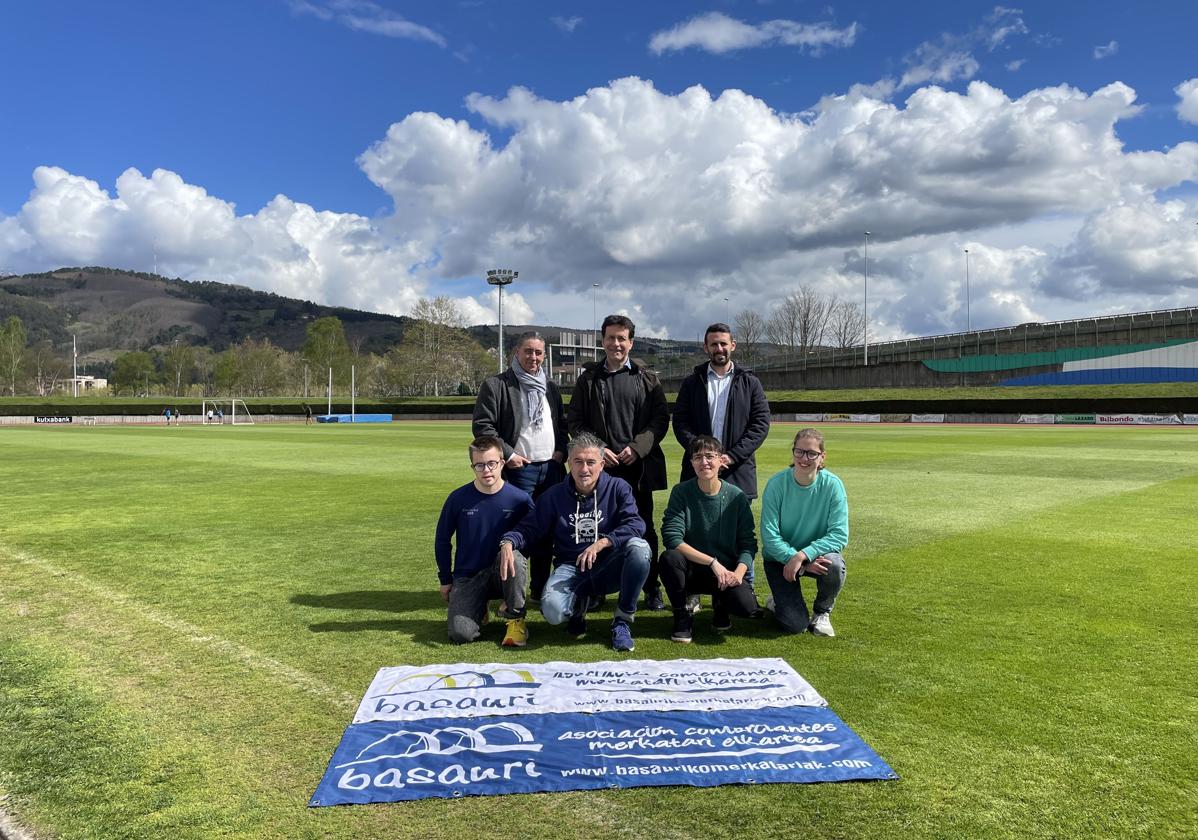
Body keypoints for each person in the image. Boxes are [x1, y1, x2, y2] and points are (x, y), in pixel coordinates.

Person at [498, 433, 650, 652]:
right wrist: (508, 541)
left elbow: (636, 525)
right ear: (569, 462)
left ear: (602, 464)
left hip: (609, 566)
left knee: (640, 549)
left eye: (590, 462)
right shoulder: (554, 495)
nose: (584, 469)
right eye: (578, 461)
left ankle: (622, 621)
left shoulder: (618, 488)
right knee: (552, 612)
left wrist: (603, 542)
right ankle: (577, 607)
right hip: (571, 567)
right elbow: (529, 528)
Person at [567, 314, 669, 611]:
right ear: (603, 341)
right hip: (601, 470)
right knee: (600, 529)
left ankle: (652, 589)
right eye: (611, 338)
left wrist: (637, 448)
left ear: (631, 342)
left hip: (638, 468)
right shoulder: (588, 379)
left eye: (621, 338)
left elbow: (660, 420)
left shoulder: (647, 378)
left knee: (645, 529)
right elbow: (576, 420)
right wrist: (600, 450)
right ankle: (597, 589)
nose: (616, 344)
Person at [472, 331, 568, 602]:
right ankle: (509, 591)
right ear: (516, 352)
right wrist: (508, 453)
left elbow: (562, 424)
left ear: (544, 355)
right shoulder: (496, 385)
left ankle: (539, 589)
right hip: (518, 470)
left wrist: (560, 451)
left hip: (551, 469)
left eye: (538, 352)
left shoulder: (550, 386)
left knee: (548, 531)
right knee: (516, 531)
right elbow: (483, 427)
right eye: (528, 351)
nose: (533, 357)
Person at [434, 435, 534, 647]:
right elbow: (443, 539)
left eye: (491, 463)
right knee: (461, 635)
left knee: (513, 557)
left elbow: (533, 535)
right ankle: (480, 608)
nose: (486, 470)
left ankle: (516, 619)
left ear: (502, 463)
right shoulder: (458, 498)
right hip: (469, 575)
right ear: (472, 467)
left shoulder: (520, 499)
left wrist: (515, 548)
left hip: (504, 572)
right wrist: (445, 579)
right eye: (479, 465)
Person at [660, 435, 761, 643]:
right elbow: (672, 538)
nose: (704, 462)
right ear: (691, 463)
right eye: (698, 457)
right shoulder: (682, 492)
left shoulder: (737, 497)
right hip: (692, 568)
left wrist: (739, 573)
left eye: (710, 456)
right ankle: (682, 614)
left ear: (721, 460)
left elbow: (748, 543)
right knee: (669, 558)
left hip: (725, 572)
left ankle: (721, 605)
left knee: (747, 608)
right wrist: (712, 562)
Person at [760, 428, 848, 637]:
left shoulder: (833, 485)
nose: (804, 458)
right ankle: (779, 601)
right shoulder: (776, 484)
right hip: (780, 560)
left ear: (822, 456)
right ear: (793, 452)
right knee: (794, 625)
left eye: (811, 453)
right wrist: (793, 557)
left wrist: (803, 556)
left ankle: (822, 612)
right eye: (799, 452)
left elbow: (839, 535)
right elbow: (770, 536)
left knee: (834, 564)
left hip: (814, 558)